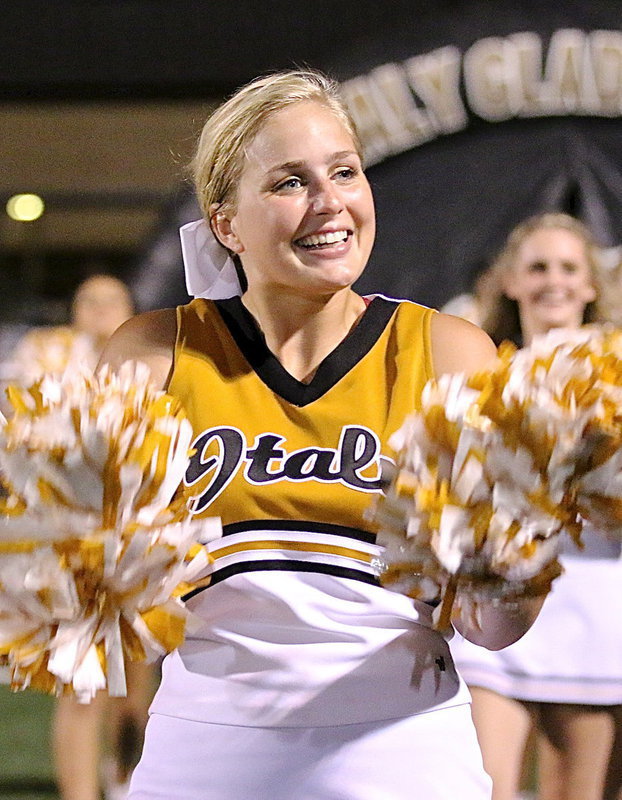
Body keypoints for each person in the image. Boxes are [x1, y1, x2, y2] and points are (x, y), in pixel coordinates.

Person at [98, 69, 546, 800]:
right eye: (290, 182)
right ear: (226, 223)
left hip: (402, 752)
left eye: (344, 172)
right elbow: (98, 615)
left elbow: (492, 626)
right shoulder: (153, 356)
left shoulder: (448, 353)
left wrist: (524, 545)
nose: (331, 201)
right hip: (204, 754)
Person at [449, 212, 622, 800]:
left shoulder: (620, 378)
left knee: (575, 792)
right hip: (497, 597)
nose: (556, 281)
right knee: (481, 786)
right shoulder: (478, 374)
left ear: (592, 285)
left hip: (594, 607)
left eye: (570, 268)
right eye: (539, 267)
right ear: (512, 283)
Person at [5, 274, 154, 800]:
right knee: (83, 681)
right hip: (72, 542)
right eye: (87, 301)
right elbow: (27, 425)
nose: (99, 311)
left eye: (112, 301)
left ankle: (126, 780)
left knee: (139, 685)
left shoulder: (156, 352)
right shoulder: (47, 351)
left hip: (145, 540)